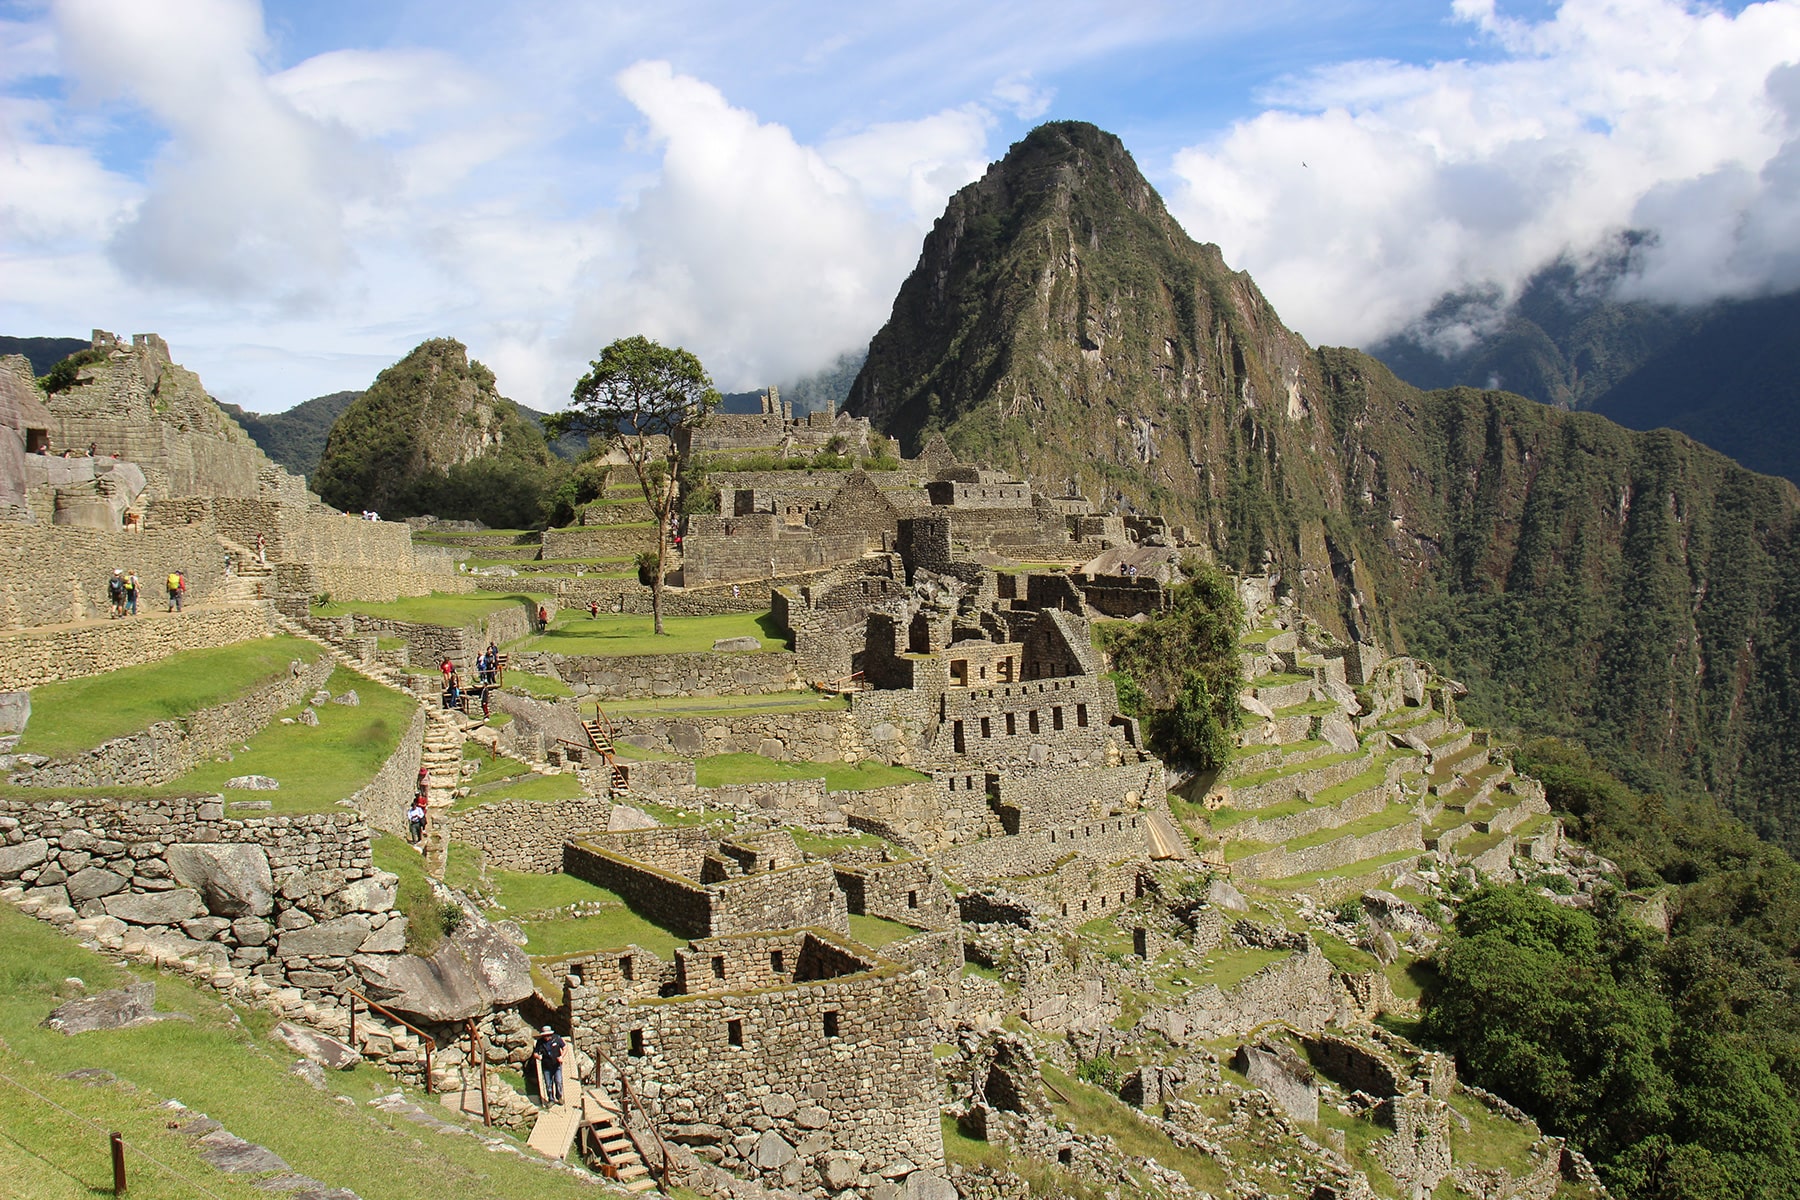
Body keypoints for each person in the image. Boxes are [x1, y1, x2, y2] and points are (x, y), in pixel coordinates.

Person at [531, 1027, 565, 1106]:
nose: (547, 1037)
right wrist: (538, 1057)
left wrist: (561, 1057)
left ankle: (559, 1097)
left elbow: (564, 1047)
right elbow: (535, 1053)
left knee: (558, 1081)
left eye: (548, 1035)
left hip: (557, 1065)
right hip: (546, 1067)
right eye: (545, 1036)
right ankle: (551, 1099)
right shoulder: (540, 1042)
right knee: (548, 1084)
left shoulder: (557, 1038)